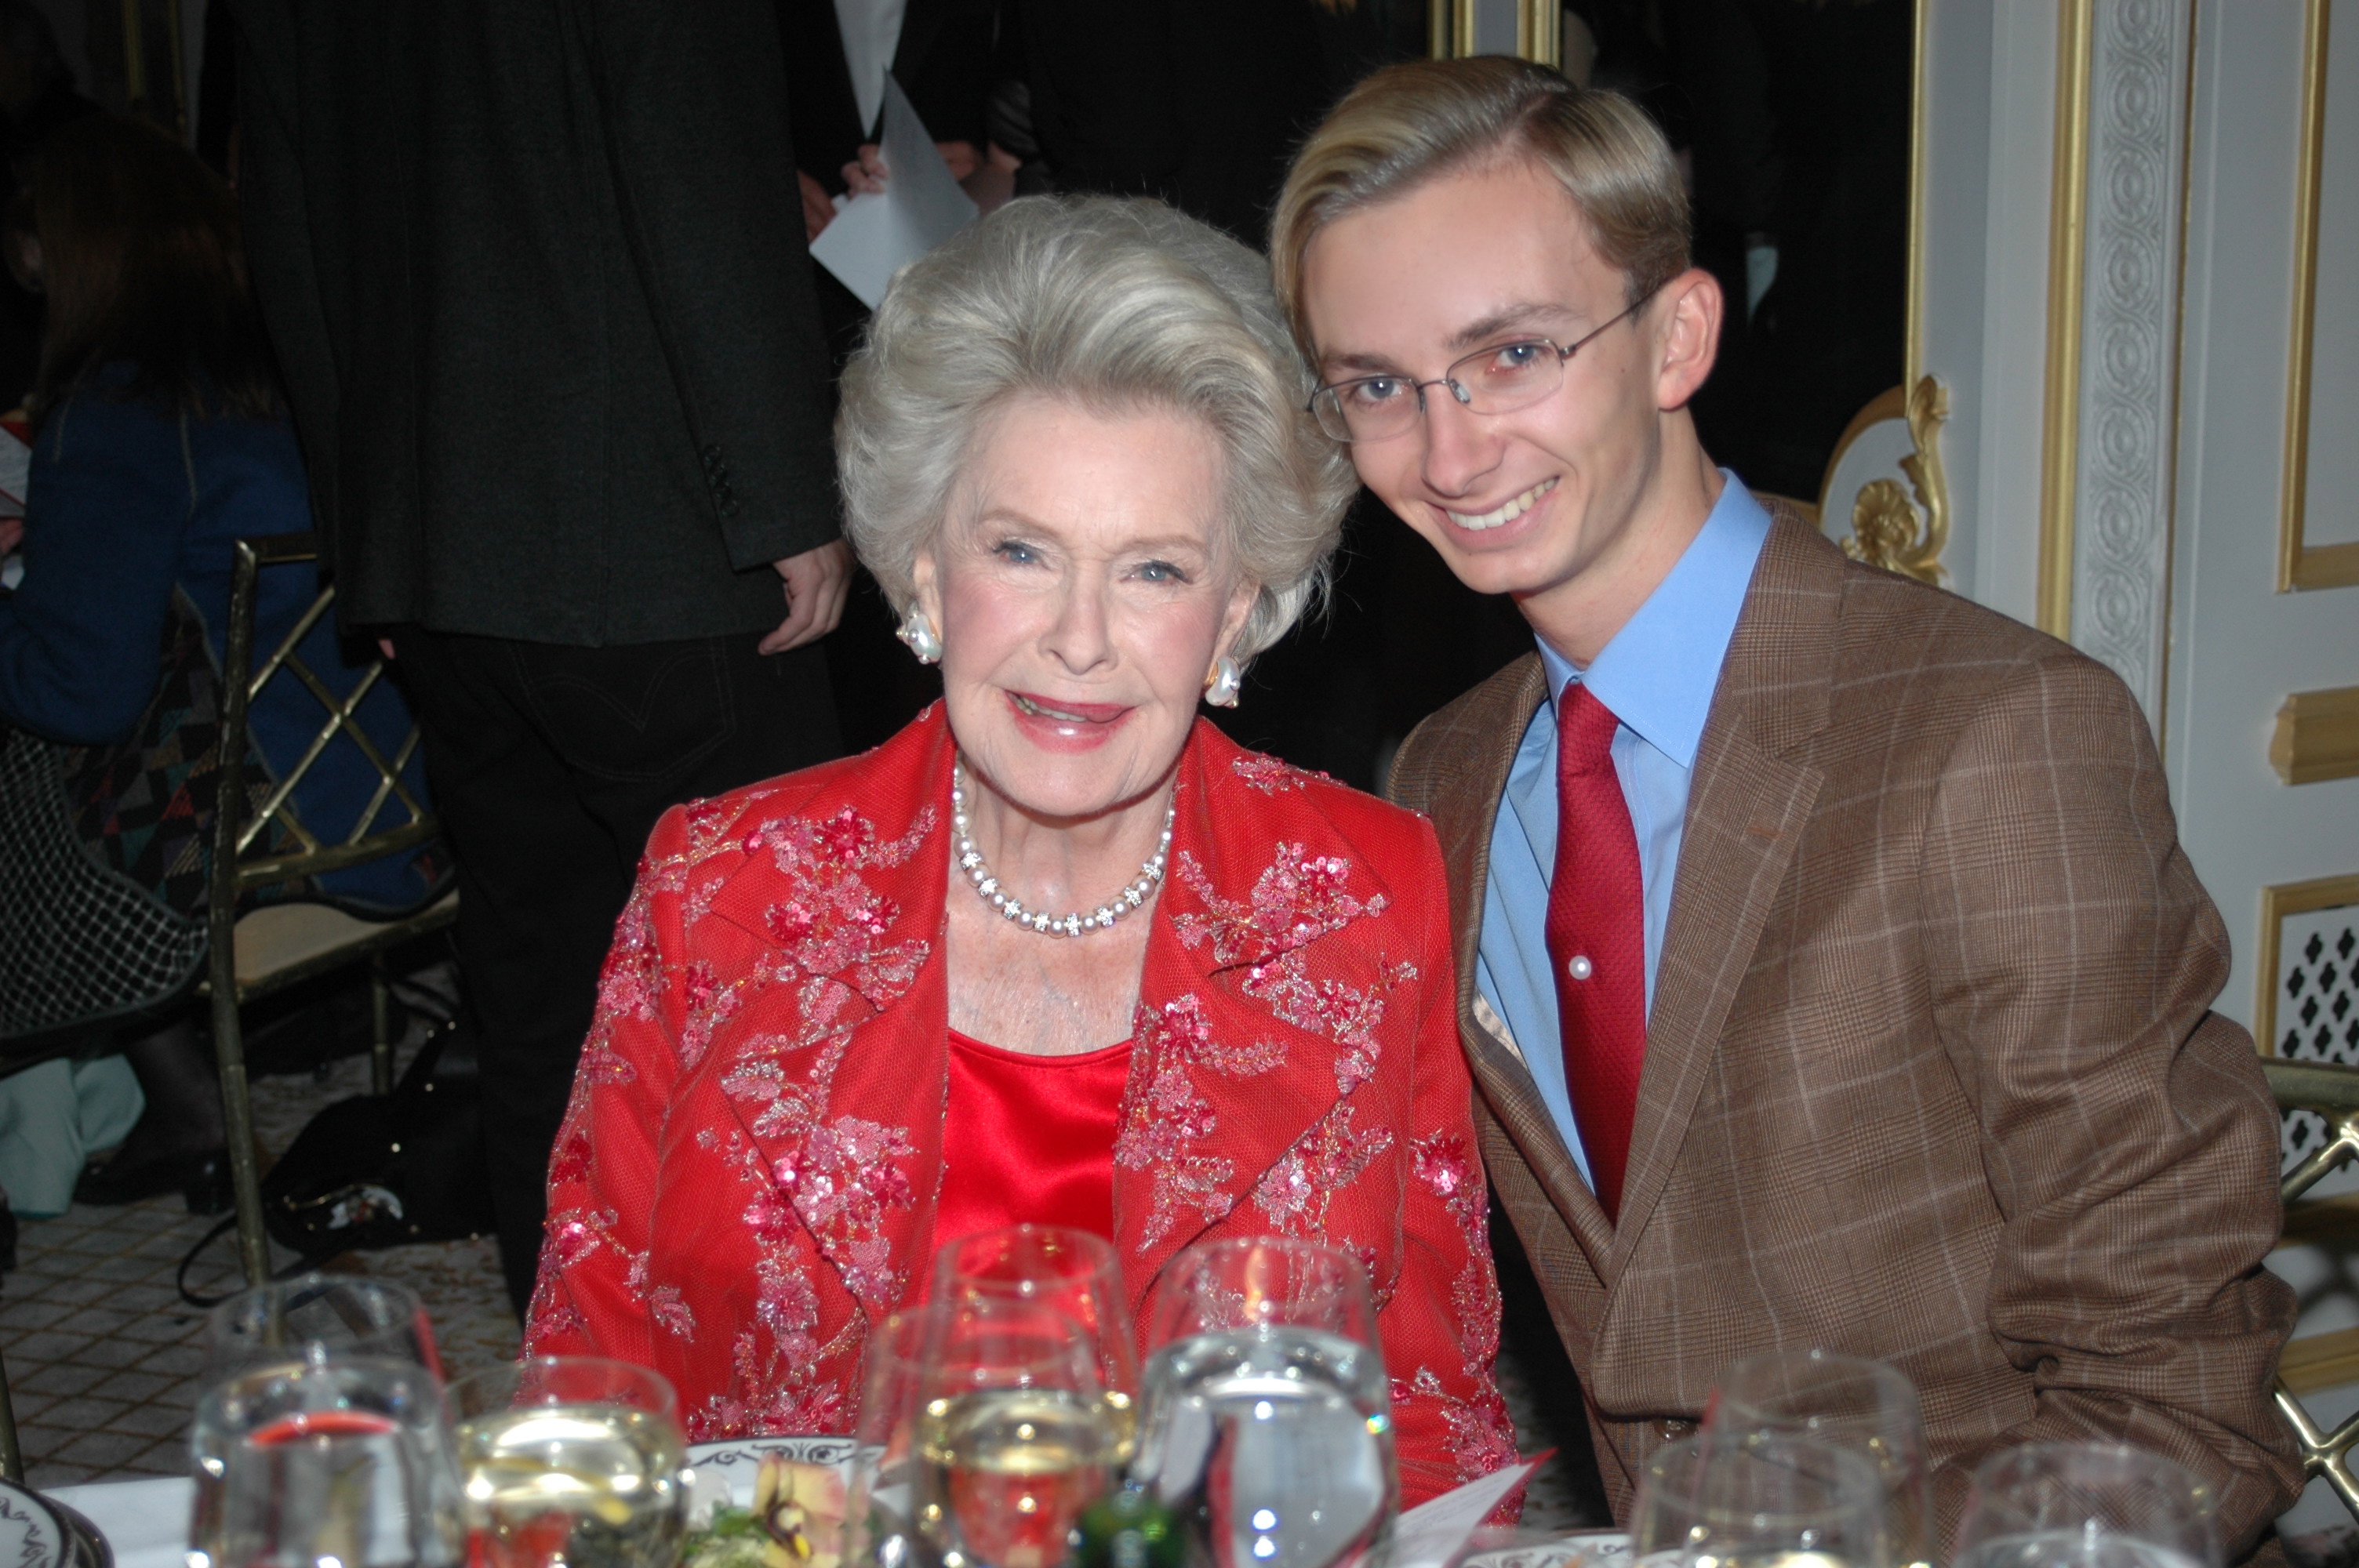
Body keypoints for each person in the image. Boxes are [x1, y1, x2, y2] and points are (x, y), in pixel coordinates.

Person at [1271, 56, 2302, 1551]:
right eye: (1378, 386)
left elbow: (2176, 1401)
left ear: (1680, 334)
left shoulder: (1993, 738)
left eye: (1512, 355)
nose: (1447, 450)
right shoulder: (1445, 775)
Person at [525, 196, 1517, 1504]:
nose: (1081, 639)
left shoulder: (1365, 893)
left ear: (1237, 612)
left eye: (1156, 571)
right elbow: (589, 1386)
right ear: (928, 574)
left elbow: (1431, 1418)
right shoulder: (721, 883)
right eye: (1021, 552)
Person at [231, 0, 854, 1314]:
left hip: (445, 555)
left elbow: (285, 229)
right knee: (780, 1003)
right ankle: (773, 1410)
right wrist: (789, 503)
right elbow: (702, 180)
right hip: (659, 544)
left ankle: (577, 1382)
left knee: (541, 1008)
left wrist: (370, 532)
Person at [0, 114, 439, 1211]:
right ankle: (190, 1108)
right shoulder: (296, 375)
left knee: (28, 753)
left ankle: (163, 1112)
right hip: (406, 798)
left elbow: (79, 688)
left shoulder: (115, 410)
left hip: (258, 841)